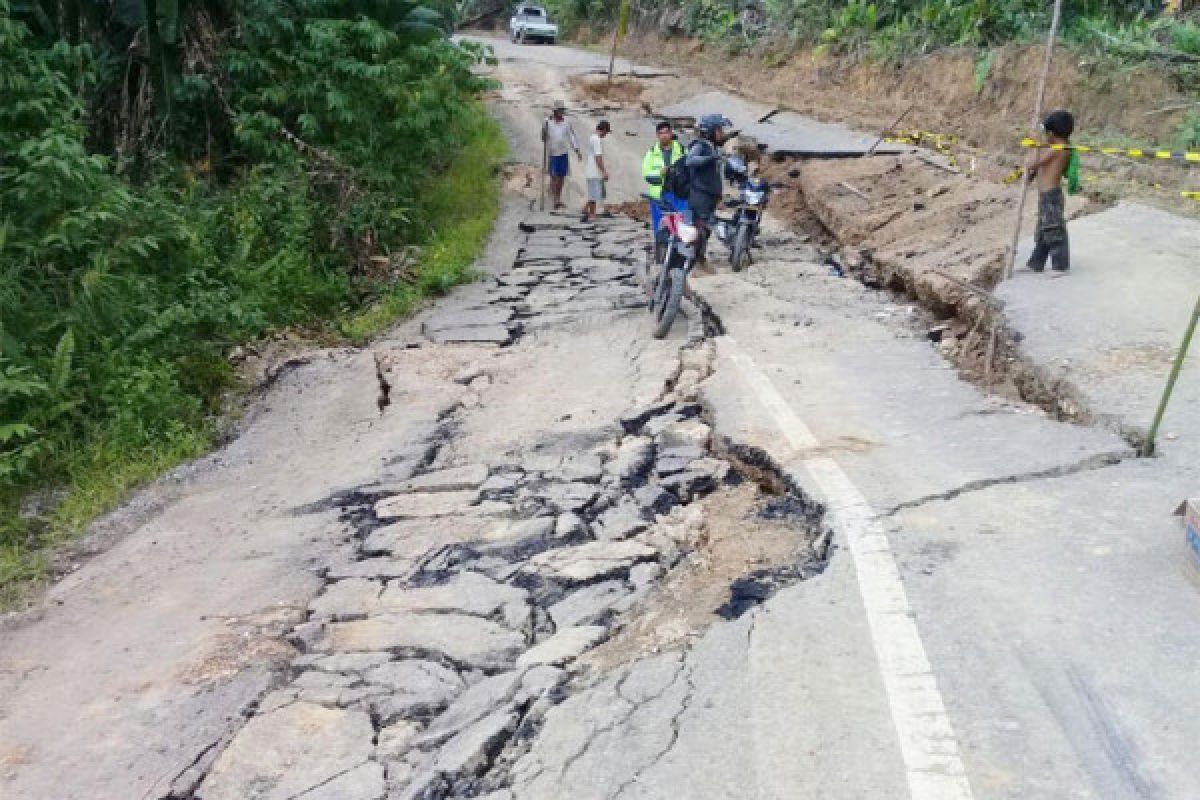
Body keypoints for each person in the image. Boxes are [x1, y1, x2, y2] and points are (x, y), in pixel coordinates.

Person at [1026, 109, 1075, 273]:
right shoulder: (1057, 146)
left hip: (1051, 195)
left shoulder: (1059, 148)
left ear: (1052, 133)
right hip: (1046, 195)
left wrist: (1034, 145)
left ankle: (1060, 266)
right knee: (1043, 231)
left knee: (1054, 231)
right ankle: (1036, 263)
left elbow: (1033, 164)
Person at [685, 113, 733, 263]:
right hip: (700, 196)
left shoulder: (712, 147)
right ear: (711, 131)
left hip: (708, 196)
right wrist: (710, 158)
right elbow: (690, 160)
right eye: (719, 131)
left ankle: (698, 259)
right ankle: (694, 261)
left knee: (704, 231)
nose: (722, 134)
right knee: (702, 227)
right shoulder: (700, 145)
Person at [642, 120, 688, 236]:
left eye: (666, 132)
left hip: (679, 195)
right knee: (660, 228)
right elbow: (646, 174)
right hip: (659, 196)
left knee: (681, 226)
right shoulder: (651, 153)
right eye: (661, 133)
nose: (664, 135)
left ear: (671, 133)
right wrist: (660, 173)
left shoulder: (682, 150)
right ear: (657, 135)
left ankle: (678, 252)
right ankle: (661, 252)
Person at [542, 99, 581, 210]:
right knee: (554, 177)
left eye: (562, 110)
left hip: (563, 153)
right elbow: (543, 138)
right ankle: (554, 200)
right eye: (559, 110)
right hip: (552, 153)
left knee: (561, 177)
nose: (560, 112)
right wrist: (544, 130)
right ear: (554, 111)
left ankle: (557, 198)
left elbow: (572, 137)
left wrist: (577, 150)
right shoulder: (547, 122)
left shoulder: (566, 123)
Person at [582, 119, 611, 223]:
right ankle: (592, 214)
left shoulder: (592, 137)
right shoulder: (597, 140)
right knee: (594, 193)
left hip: (591, 170)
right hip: (594, 171)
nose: (606, 135)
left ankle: (585, 209)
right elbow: (598, 157)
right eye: (606, 132)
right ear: (603, 130)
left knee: (593, 192)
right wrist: (604, 171)